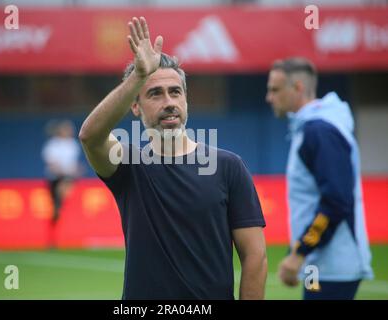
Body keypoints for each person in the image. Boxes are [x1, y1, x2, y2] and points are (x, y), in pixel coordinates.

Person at [79, 16, 267, 300]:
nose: (168, 102)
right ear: (135, 106)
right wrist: (139, 76)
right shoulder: (128, 165)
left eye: (175, 92)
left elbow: (255, 257)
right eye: (155, 93)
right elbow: (90, 136)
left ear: (186, 101)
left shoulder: (228, 166)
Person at [266, 57, 373, 300]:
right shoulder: (312, 127)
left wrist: (300, 251)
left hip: (332, 267)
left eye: (275, 89)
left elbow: (336, 200)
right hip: (321, 264)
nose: (269, 97)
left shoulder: (320, 131)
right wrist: (299, 251)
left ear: (298, 88)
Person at [42, 120, 83, 248]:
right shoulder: (52, 145)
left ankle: (61, 199)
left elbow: (73, 163)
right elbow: (52, 165)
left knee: (59, 204)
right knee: (56, 208)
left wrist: (76, 170)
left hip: (67, 178)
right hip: (55, 178)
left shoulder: (73, 145)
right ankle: (53, 231)